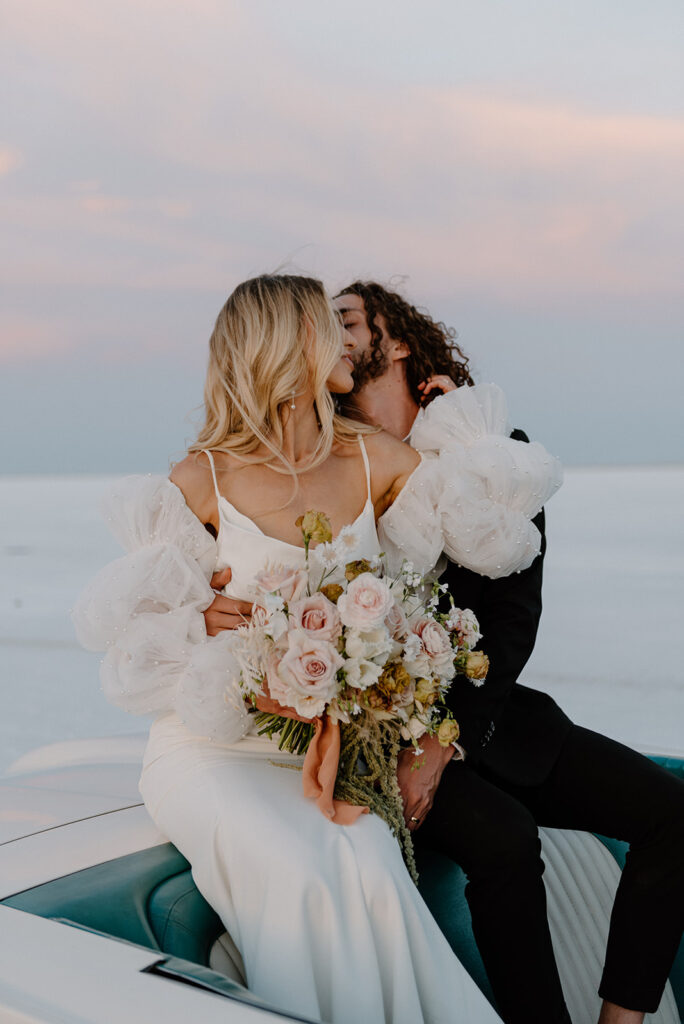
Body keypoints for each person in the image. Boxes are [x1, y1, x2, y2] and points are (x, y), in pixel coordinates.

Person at [73, 273, 562, 1024]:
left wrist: (456, 421)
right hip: (216, 752)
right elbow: (128, 626)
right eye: (323, 327)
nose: (341, 342)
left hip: (316, 752)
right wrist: (194, 617)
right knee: (298, 872)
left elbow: (494, 533)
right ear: (288, 348)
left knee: (368, 861)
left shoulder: (375, 462)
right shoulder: (201, 476)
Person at [331, 282, 684, 1024]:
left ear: (396, 343)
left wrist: (444, 738)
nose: (332, 333)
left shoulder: (498, 456)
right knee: (505, 838)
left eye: (348, 321)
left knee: (673, 816)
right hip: (375, 733)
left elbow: (514, 617)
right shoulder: (330, 462)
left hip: (489, 720)